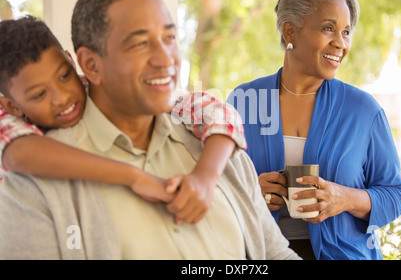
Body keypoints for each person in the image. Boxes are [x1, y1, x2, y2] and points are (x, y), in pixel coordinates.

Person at [0, 0, 299, 260]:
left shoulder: (216, 145)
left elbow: (274, 254)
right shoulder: (31, 185)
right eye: (140, 43)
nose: (166, 58)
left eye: (169, 36)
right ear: (90, 64)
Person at [0, 15, 247, 225]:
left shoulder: (99, 89)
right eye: (39, 94)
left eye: (64, 75)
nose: (61, 97)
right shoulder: (10, 124)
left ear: (71, 59)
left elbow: (216, 112)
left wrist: (205, 177)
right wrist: (135, 177)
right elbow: (19, 153)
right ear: (11, 105)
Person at [227, 0, 401, 260]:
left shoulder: (363, 110)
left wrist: (344, 198)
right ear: (291, 32)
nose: (341, 43)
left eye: (346, 32)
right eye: (328, 28)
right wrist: (250, 190)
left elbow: (395, 195)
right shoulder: (243, 101)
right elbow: (215, 186)